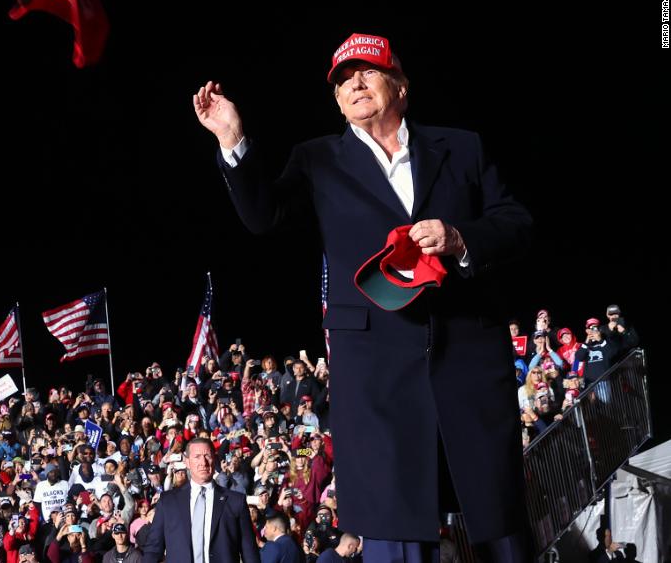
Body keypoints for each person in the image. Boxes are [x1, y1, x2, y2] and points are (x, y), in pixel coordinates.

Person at [194, 32, 532, 560]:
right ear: (335, 100)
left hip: (466, 362)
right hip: (375, 380)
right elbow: (264, 217)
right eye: (342, 80)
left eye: (367, 72)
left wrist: (461, 238)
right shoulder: (317, 160)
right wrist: (232, 141)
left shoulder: (462, 147)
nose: (354, 83)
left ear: (399, 85)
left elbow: (516, 223)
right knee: (394, 535)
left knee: (496, 525)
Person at [140, 437, 259, 563]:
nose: (203, 462)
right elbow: (153, 549)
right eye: (197, 456)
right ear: (187, 462)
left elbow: (249, 551)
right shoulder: (168, 501)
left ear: (215, 459)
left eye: (207, 456)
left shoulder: (235, 501)